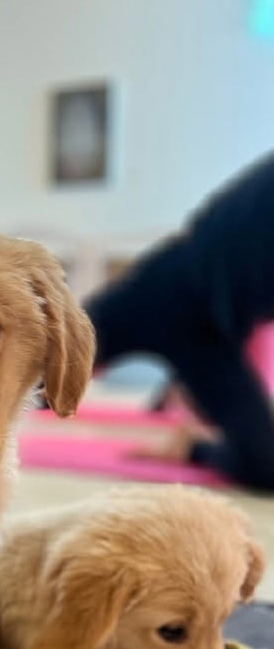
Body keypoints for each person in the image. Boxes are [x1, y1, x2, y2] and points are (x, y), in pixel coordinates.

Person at [84, 152, 274, 492]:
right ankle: (178, 409)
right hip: (170, 290)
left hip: (206, 327)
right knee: (42, 362)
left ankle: (189, 443)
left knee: (265, 467)